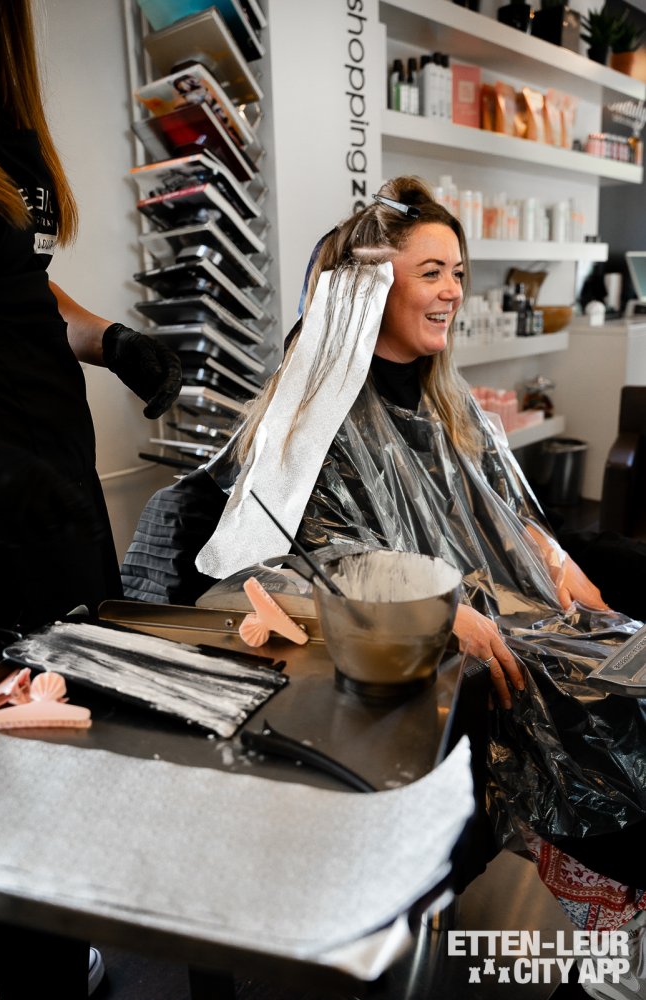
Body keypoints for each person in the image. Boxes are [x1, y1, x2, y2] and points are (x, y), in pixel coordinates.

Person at [125, 176, 646, 986]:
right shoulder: (317, 420)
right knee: (619, 697)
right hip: (434, 642)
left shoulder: (445, 399)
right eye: (432, 271)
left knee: (628, 650)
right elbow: (308, 559)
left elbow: (502, 511)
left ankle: (614, 916)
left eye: (458, 272)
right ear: (369, 285)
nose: (453, 291)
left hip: (515, 609)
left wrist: (552, 553)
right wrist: (433, 611)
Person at [0, 0, 182, 997]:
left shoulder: (0, 110)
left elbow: (22, 293)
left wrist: (113, 340)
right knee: (5, 754)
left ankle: (60, 941)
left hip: (51, 476)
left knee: (66, 714)